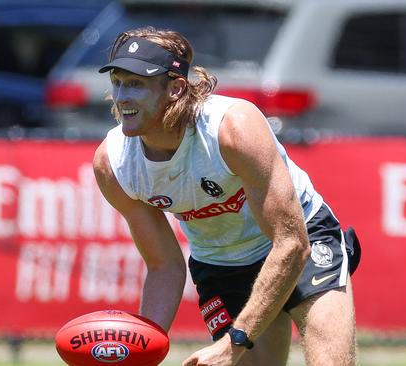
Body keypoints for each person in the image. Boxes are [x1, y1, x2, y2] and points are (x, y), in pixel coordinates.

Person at [92, 26, 361, 366]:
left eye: (136, 84)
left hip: (302, 238)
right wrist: (140, 355)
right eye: (117, 82)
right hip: (221, 264)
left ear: (175, 89)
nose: (122, 97)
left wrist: (236, 340)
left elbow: (291, 242)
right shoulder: (112, 164)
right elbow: (164, 266)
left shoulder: (232, 128)